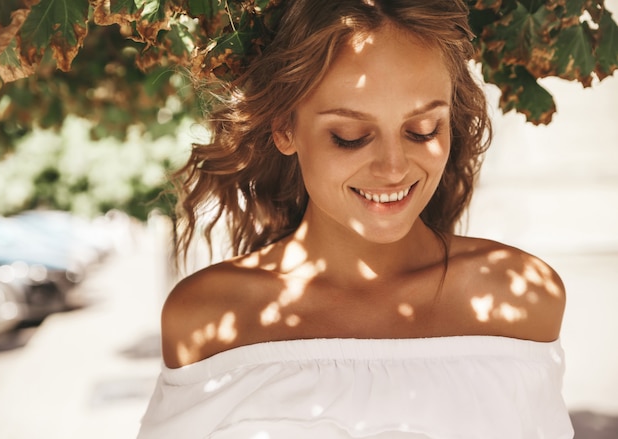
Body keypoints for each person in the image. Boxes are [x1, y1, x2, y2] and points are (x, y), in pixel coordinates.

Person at [138, 0, 574, 437]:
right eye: (350, 137)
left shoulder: (521, 298)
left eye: (422, 130)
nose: (393, 168)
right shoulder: (205, 316)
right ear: (284, 128)